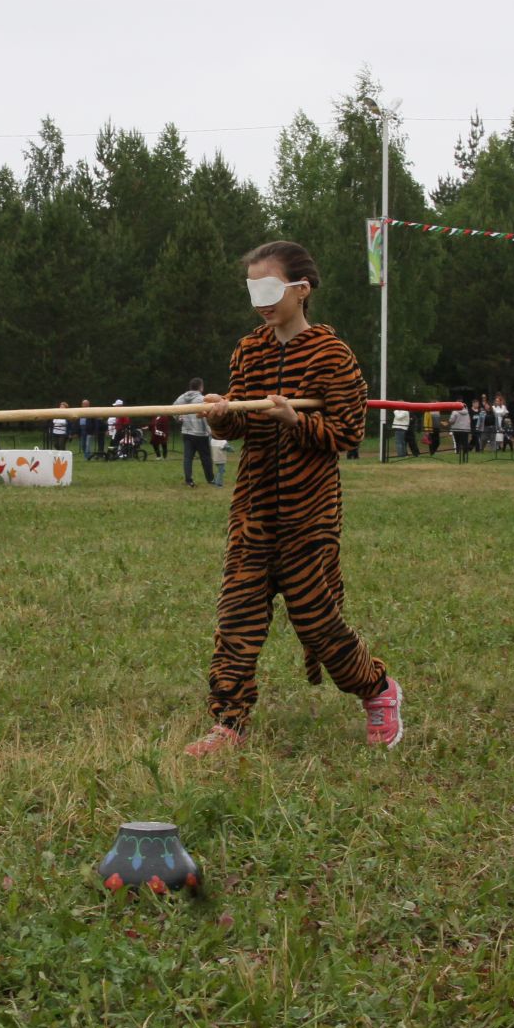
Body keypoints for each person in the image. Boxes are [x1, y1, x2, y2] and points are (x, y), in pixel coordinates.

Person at [185, 239, 401, 757]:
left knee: (318, 623)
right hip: (253, 511)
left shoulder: (332, 355)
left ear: (301, 290)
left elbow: (347, 432)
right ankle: (228, 722)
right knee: (236, 618)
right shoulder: (249, 350)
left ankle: (378, 691)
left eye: (270, 287)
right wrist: (222, 413)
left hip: (309, 515)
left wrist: (296, 420)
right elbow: (241, 422)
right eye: (252, 288)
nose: (260, 299)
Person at [175, 378, 215, 485]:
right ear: (201, 387)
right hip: (200, 432)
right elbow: (208, 416)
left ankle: (189, 480)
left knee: (188, 458)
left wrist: (179, 418)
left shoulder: (181, 398)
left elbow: (173, 409)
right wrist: (210, 430)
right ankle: (210, 479)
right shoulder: (203, 399)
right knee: (206, 457)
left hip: (186, 432)